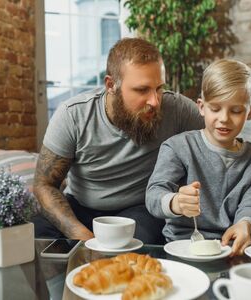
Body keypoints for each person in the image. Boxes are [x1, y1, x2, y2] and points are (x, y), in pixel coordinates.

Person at [32, 37, 204, 244]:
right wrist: (84, 238)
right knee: (35, 234)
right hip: (80, 207)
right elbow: (44, 185)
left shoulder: (178, 110)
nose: (155, 101)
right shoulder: (72, 115)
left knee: (132, 245)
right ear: (111, 84)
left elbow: (220, 135)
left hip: (139, 210)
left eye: (158, 88)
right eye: (142, 90)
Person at [146, 59, 251, 255]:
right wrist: (175, 202)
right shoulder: (178, 146)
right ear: (201, 107)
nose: (224, 118)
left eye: (236, 110)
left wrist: (246, 224)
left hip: (230, 248)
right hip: (182, 246)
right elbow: (153, 194)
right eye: (215, 108)